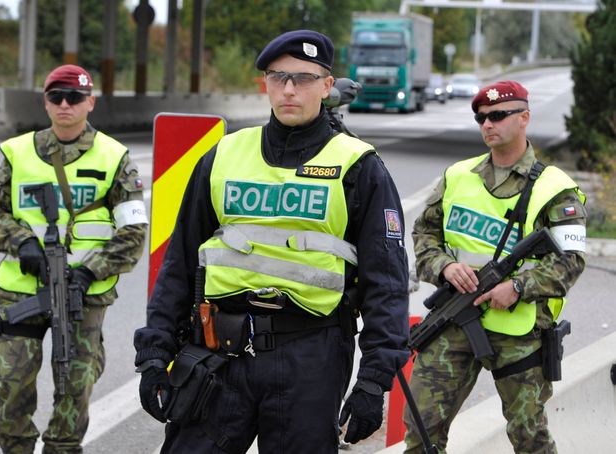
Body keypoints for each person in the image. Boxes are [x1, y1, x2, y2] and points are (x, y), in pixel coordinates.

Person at [134, 30, 411, 453]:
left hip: (310, 355)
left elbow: (386, 284)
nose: (288, 89)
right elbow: (181, 262)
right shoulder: (222, 156)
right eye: (278, 77)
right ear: (264, 83)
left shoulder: (359, 166)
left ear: (327, 85)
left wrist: (373, 382)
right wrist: (155, 351)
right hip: (220, 353)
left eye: (302, 78)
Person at [403, 80, 587, 453]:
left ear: (524, 118)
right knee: (421, 430)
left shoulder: (555, 188)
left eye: (499, 116)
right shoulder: (458, 176)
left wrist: (518, 287)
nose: (488, 124)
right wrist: (443, 267)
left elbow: (571, 260)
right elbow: (424, 233)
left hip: (518, 330)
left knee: (529, 437)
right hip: (454, 320)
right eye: (482, 118)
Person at [0, 64, 148, 454]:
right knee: (12, 385)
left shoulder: (115, 157)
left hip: (83, 294)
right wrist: (22, 242)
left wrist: (90, 271)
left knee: (75, 386)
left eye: (74, 97)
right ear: (45, 102)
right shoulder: (18, 153)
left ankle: (62, 448)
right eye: (56, 96)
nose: (65, 105)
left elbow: (133, 231)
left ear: (90, 102)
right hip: (22, 291)